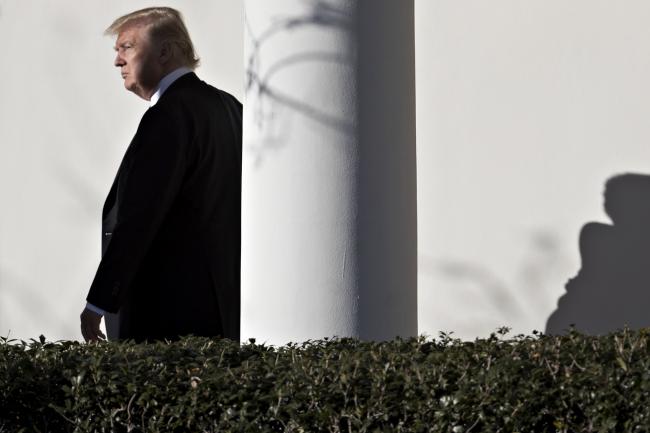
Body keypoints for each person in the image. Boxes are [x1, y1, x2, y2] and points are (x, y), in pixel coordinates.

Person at [79, 7, 241, 343]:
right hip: (222, 315)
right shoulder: (230, 108)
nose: (117, 61)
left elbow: (139, 217)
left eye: (127, 47)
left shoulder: (169, 116)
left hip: (166, 322)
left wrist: (99, 301)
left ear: (164, 51)